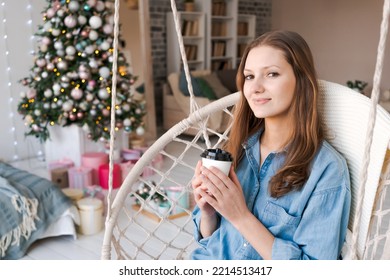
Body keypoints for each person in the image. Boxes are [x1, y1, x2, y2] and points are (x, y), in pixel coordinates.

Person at [190, 30, 351, 260]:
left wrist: (240, 217)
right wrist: (209, 211)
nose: (255, 88)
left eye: (272, 74)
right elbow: (209, 239)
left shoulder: (326, 170)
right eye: (249, 76)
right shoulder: (238, 148)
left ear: (301, 81)